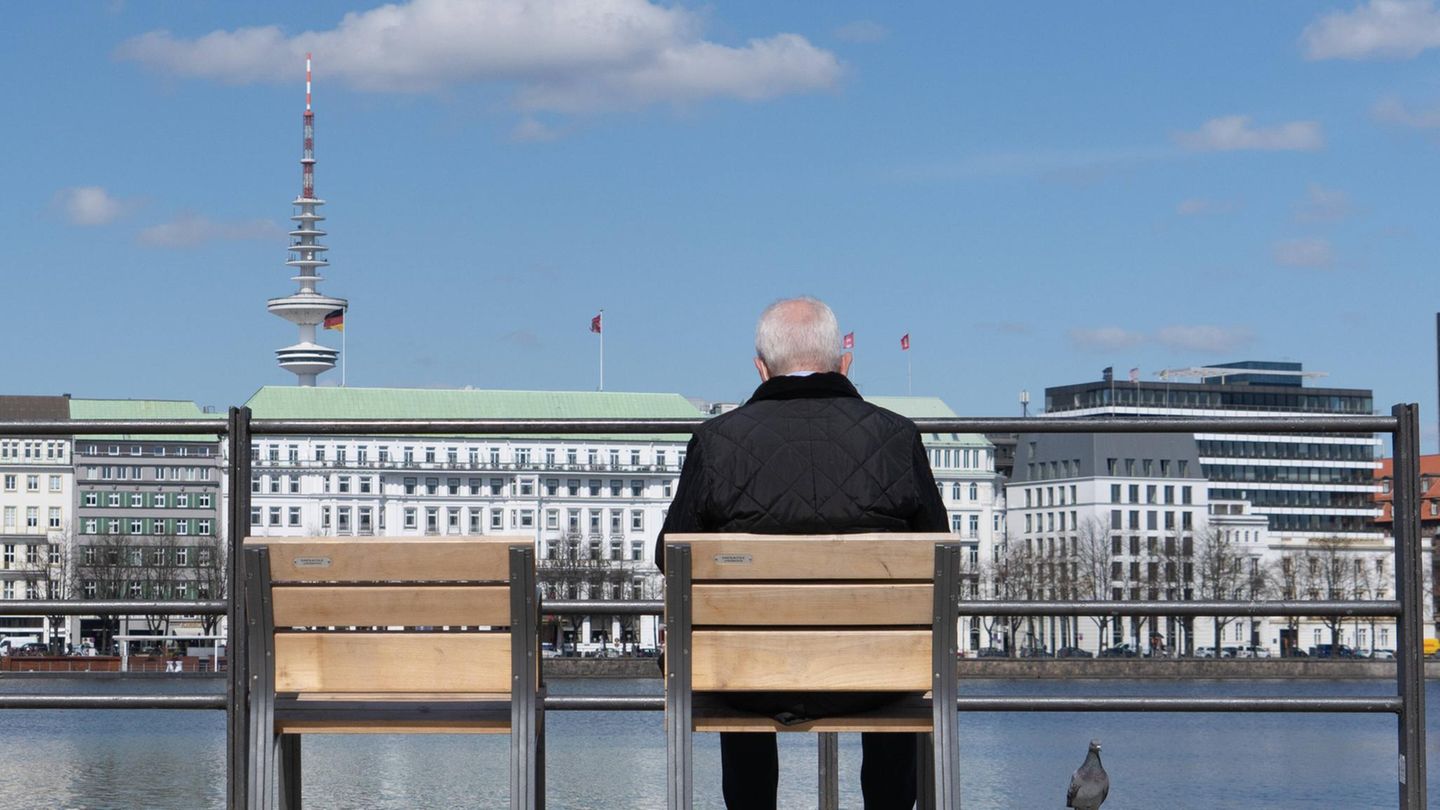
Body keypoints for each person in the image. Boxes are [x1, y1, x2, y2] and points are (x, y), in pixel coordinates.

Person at [657, 296, 949, 810]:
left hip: (750, 678)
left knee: (737, 651)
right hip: (874, 677)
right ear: (845, 362)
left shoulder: (715, 441)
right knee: (893, 658)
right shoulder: (897, 437)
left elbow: (670, 555)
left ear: (761, 369)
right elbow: (936, 552)